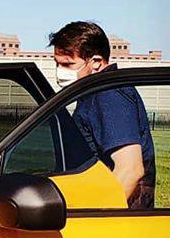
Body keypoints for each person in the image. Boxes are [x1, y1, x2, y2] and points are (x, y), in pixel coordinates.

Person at [49, 20, 156, 209]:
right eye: (57, 64)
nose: (60, 71)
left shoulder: (108, 95)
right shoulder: (93, 94)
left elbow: (130, 169)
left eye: (68, 64)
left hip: (114, 226)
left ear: (96, 62)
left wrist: (95, 217)